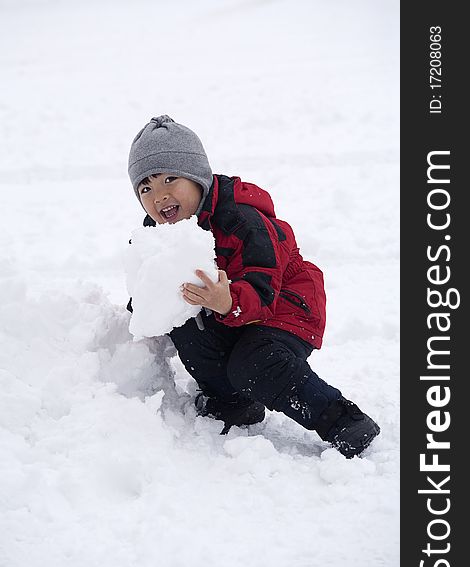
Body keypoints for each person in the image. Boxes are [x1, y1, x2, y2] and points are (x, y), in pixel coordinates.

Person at [127, 115, 380, 458]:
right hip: (229, 310)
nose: (160, 195)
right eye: (146, 187)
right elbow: (149, 286)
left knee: (256, 363)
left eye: (170, 178)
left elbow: (263, 288)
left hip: (285, 304)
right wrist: (145, 308)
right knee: (185, 325)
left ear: (197, 176)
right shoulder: (159, 235)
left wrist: (228, 300)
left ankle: (341, 419)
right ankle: (233, 402)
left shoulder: (242, 218)